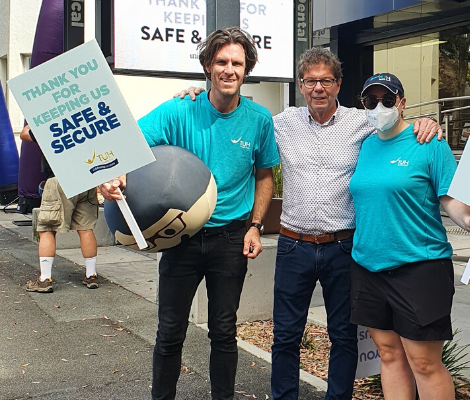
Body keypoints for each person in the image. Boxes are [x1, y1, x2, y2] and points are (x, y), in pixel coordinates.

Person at [176, 47, 441, 400]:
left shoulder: (362, 123)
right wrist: (195, 94)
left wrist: (427, 122)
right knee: (286, 335)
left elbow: (397, 124)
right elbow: (241, 121)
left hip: (343, 247)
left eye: (326, 81)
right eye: (311, 81)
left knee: (343, 336)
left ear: (338, 84)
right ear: (301, 85)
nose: (319, 88)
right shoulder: (280, 123)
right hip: (293, 245)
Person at [100, 27, 280, 400]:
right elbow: (126, 143)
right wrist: (111, 174)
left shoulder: (260, 119)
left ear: (247, 70)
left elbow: (264, 177)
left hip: (231, 239)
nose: (229, 70)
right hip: (181, 236)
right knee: (170, 332)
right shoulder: (179, 109)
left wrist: (255, 227)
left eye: (237, 63)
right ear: (207, 66)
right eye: (221, 62)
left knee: (224, 332)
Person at [348, 73, 470, 400]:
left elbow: (450, 198)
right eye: (370, 101)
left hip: (420, 267)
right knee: (388, 354)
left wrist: (469, 219)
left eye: (387, 100)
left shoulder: (429, 143)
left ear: (402, 103)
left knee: (425, 363)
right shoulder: (365, 145)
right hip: (368, 267)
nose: (379, 107)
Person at [21, 125, 99, 293]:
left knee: (47, 229)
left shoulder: (52, 123)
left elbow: (24, 134)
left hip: (58, 179)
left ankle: (44, 280)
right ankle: (91, 275)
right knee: (85, 228)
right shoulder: (86, 120)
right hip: (87, 178)